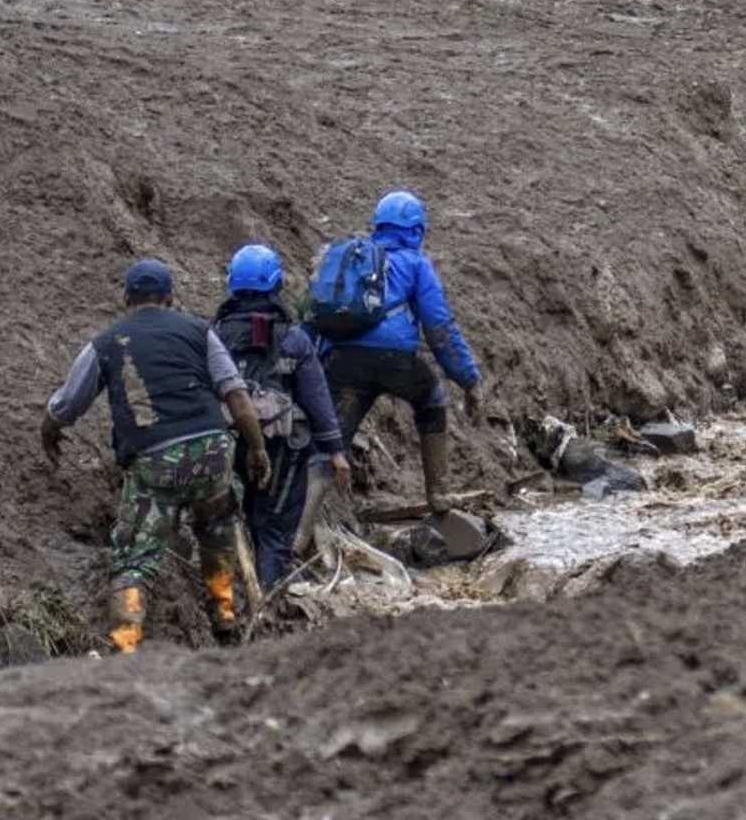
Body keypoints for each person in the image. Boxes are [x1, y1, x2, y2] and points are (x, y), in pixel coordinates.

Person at [40, 259, 272, 653]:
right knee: (217, 531)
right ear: (170, 298)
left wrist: (49, 433)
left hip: (155, 458)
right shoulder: (200, 333)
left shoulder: (106, 343)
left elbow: (67, 404)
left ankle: (127, 642)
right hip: (213, 449)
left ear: (126, 298)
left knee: (135, 558)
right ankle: (225, 614)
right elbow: (237, 397)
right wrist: (257, 448)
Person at [323, 190, 484, 515]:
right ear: (417, 230)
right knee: (432, 398)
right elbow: (440, 329)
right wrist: (469, 379)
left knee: (332, 439)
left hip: (345, 360)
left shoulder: (353, 258)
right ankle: (438, 494)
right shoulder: (415, 264)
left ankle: (308, 525)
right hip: (396, 360)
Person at [214, 244, 351, 588]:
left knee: (225, 523)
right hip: (283, 449)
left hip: (226, 444)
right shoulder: (294, 340)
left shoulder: (213, 336)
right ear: (276, 283)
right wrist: (335, 450)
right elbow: (316, 397)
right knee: (274, 529)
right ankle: (270, 605)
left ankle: (233, 599)